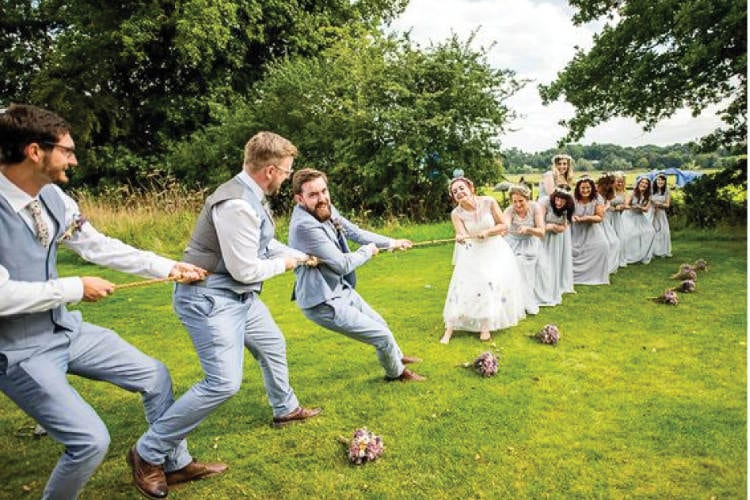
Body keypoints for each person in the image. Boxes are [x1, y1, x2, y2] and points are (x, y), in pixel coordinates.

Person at [0, 104, 223, 500]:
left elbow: (98, 246)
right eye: (67, 150)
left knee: (155, 377)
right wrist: (74, 287)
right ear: (35, 151)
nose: (74, 158)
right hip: (18, 350)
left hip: (66, 329)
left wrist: (167, 266)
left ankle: (170, 464)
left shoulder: (54, 198)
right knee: (89, 442)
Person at [131, 132, 321, 498]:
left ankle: (285, 408)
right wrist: (285, 264)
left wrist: (299, 255)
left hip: (241, 299)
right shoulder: (236, 205)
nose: (286, 177)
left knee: (272, 343)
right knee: (223, 382)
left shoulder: (253, 196)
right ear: (269, 170)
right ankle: (148, 452)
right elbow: (245, 270)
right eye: (285, 171)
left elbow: (264, 244)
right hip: (210, 299)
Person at [287, 168, 425, 381]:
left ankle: (396, 358)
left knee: (380, 323)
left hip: (339, 288)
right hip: (322, 300)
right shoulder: (304, 226)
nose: (322, 198)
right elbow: (342, 264)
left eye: (324, 191)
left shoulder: (325, 209)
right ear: (300, 198)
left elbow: (356, 233)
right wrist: (367, 251)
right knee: (382, 336)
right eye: (313, 195)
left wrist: (391, 242)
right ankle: (396, 374)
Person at [440, 177, 526, 343]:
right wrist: (460, 237)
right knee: (464, 287)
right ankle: (450, 328)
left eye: (461, 188)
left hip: (494, 250)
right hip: (472, 252)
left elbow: (503, 226)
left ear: (471, 188)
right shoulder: (456, 213)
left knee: (490, 283)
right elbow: (461, 234)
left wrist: (487, 232)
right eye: (455, 191)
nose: (459, 193)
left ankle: (485, 327)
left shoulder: (489, 201)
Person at [503, 184, 545, 315]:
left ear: (528, 199)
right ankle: (515, 302)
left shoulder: (535, 207)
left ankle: (528, 300)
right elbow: (505, 226)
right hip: (512, 243)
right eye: (514, 201)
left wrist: (528, 229)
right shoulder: (509, 211)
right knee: (516, 265)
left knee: (525, 267)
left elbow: (541, 232)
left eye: (521, 201)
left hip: (530, 243)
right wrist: (503, 230)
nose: (517, 204)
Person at [535, 188, 575, 307]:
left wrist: (553, 227)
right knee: (541, 265)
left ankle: (550, 288)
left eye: (562, 201)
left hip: (555, 240)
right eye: (557, 199)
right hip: (540, 238)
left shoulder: (569, 208)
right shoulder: (544, 202)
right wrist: (552, 226)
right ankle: (539, 291)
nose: (558, 203)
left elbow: (564, 227)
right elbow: (539, 225)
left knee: (552, 264)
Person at [570, 177, 610, 285]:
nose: (585, 190)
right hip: (575, 230)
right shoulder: (572, 198)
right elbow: (567, 214)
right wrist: (572, 217)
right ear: (578, 188)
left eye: (588, 188)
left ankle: (596, 275)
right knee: (573, 250)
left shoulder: (597, 198)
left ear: (592, 188)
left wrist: (586, 218)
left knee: (603, 245)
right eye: (582, 188)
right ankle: (572, 276)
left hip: (592, 229)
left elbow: (599, 217)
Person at [621, 177, 656, 264]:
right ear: (638, 183)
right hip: (629, 215)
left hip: (640, 216)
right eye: (642, 182)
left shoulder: (648, 196)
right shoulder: (632, 193)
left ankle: (642, 254)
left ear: (648, 186)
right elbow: (625, 205)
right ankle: (628, 255)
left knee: (651, 231)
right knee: (631, 235)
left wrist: (639, 207)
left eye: (646, 183)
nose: (643, 184)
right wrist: (634, 207)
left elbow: (646, 209)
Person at [596, 173, 623, 274]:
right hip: (599, 221)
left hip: (605, 221)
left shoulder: (607, 195)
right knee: (606, 244)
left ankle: (607, 266)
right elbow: (601, 210)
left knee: (614, 242)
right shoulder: (597, 195)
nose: (613, 185)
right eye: (611, 183)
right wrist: (607, 206)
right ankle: (601, 267)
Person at [651, 173, 672, 257]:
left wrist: (659, 204)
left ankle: (662, 250)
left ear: (665, 182)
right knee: (653, 231)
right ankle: (653, 250)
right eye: (658, 179)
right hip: (652, 213)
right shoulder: (651, 191)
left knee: (663, 231)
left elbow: (667, 205)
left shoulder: (666, 191)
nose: (660, 181)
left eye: (662, 180)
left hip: (661, 213)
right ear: (656, 181)